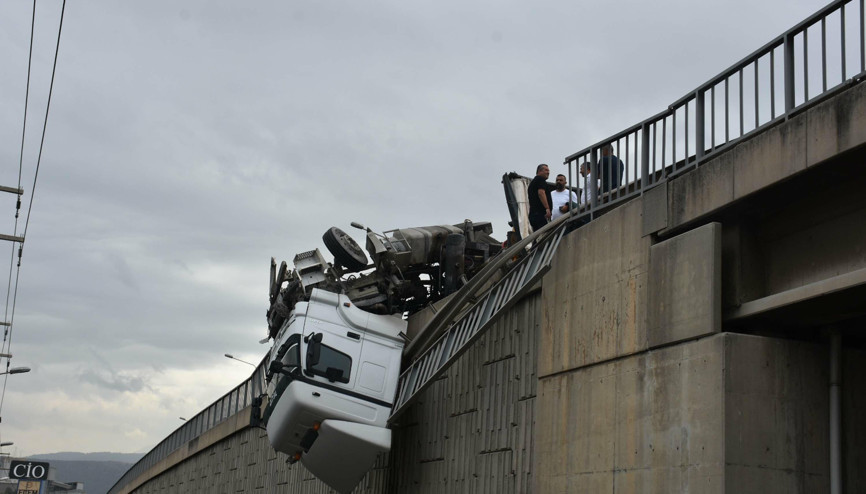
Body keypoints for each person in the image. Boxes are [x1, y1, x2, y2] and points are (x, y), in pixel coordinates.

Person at [528, 164, 553, 231]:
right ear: (539, 171)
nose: (548, 172)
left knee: (538, 236)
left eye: (549, 170)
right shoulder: (540, 179)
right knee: (544, 235)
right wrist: (547, 208)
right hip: (540, 214)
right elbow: (541, 193)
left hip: (533, 214)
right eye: (546, 170)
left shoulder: (533, 183)